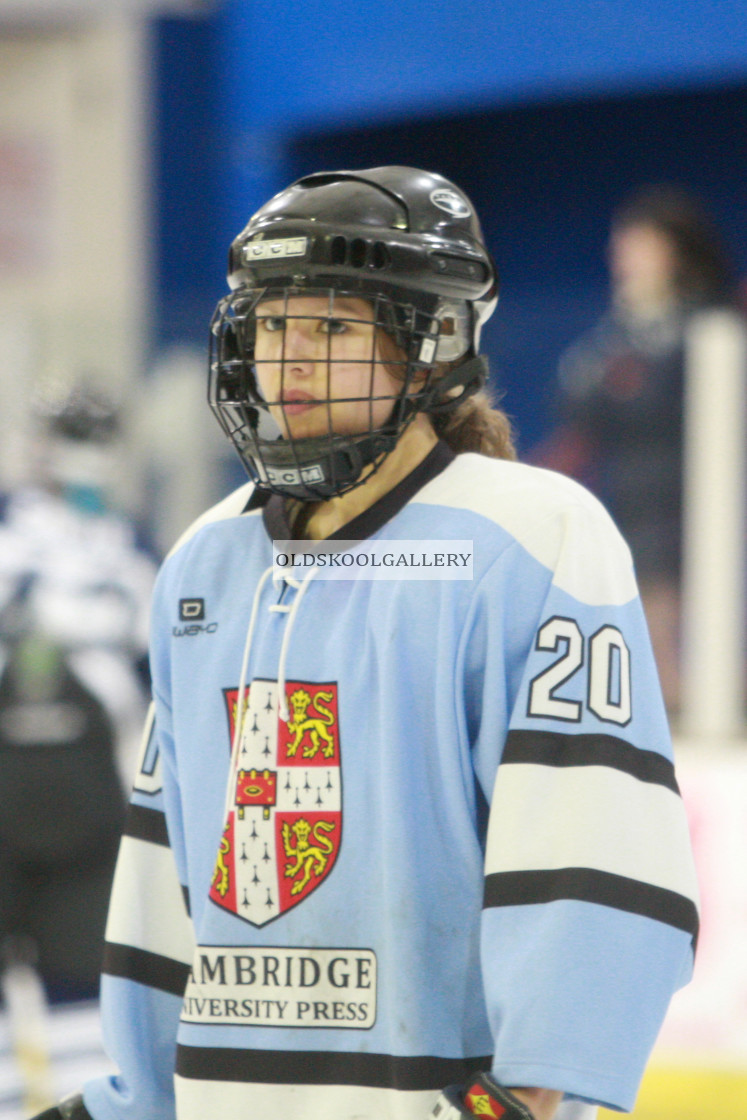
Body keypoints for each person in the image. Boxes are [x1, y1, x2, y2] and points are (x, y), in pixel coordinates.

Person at [35, 168, 698, 1120]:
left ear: (430, 346)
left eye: (334, 329)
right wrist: (134, 1101)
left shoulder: (532, 536)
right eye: (270, 325)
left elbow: (593, 857)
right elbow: (164, 869)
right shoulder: (204, 562)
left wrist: (517, 1101)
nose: (288, 360)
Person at [536, 185, 737, 712]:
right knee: (646, 633)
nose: (622, 256)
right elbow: (577, 427)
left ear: (673, 250)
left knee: (696, 632)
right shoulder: (610, 340)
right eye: (621, 244)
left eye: (638, 244)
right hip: (630, 511)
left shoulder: (714, 329)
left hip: (702, 514)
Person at [0, 382, 156, 1003]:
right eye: (67, 439)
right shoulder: (11, 533)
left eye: (92, 440)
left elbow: (158, 658)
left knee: (86, 979)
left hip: (95, 799)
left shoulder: (131, 549)